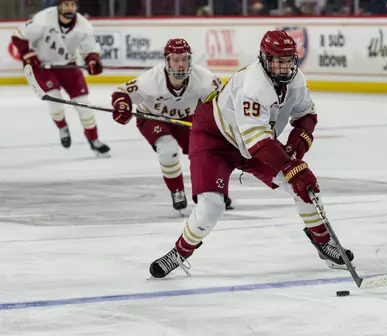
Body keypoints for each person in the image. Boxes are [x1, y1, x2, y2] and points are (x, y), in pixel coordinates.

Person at [149, 30, 355, 278]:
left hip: (256, 141)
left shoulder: (296, 81)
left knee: (303, 187)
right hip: (215, 140)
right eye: (278, 60)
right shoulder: (253, 85)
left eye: (289, 60)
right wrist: (292, 166)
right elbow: (256, 143)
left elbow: (307, 117)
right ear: (265, 59)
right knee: (212, 206)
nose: (284, 66)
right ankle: (179, 253)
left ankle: (323, 244)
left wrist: (294, 151)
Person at [111, 38, 233, 212]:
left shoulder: (204, 78)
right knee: (167, 149)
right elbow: (122, 92)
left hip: (188, 118)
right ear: (167, 61)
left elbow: (223, 98)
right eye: (176, 60)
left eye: (184, 59)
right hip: (153, 117)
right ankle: (177, 191)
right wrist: (122, 106)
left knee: (208, 152)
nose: (181, 65)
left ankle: (215, 192)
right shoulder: (151, 80)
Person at [11, 0, 110, 156]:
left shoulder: (83, 26)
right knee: (55, 100)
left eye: (72, 4)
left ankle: (94, 140)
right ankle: (63, 127)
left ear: (77, 7)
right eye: (66, 4)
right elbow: (18, 36)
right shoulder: (43, 19)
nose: (69, 8)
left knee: (84, 104)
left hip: (67, 65)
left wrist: (92, 61)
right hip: (43, 67)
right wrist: (28, 54)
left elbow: (90, 50)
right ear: (59, 6)